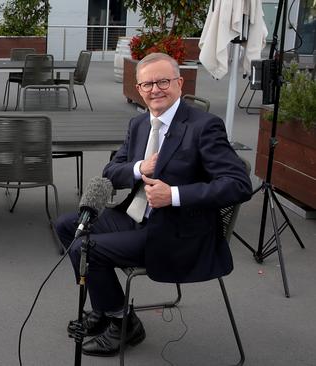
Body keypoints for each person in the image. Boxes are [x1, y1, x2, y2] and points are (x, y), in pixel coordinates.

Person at [55, 52, 252, 357]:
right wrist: (139, 168)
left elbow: (238, 184)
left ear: (179, 83)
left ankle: (122, 324)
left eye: (162, 81)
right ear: (138, 88)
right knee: (68, 225)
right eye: (147, 84)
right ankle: (108, 307)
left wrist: (173, 195)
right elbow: (111, 171)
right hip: (137, 217)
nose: (154, 90)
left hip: (176, 233)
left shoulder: (204, 126)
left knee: (86, 249)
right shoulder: (139, 124)